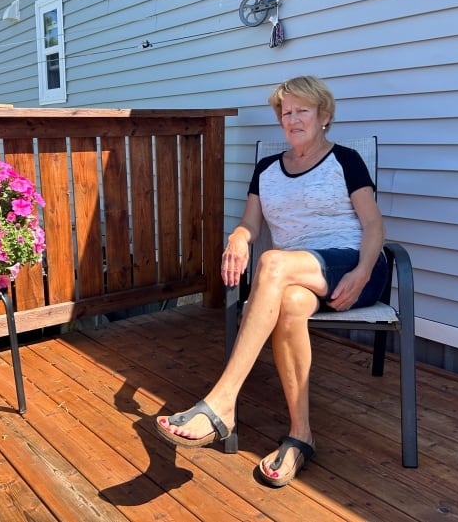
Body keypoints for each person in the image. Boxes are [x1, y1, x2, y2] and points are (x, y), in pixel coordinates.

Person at [155, 75, 389, 488]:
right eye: (286, 112)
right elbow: (249, 223)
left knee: (273, 263)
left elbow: (373, 226)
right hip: (298, 276)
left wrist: (363, 270)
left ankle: (222, 401)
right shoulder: (266, 169)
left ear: (324, 116)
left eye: (303, 111)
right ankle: (301, 435)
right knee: (289, 304)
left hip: (351, 267)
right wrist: (237, 238)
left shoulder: (346, 160)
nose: (293, 119)